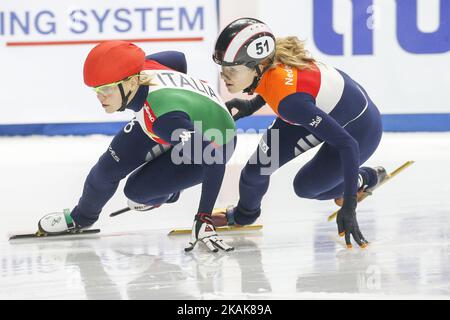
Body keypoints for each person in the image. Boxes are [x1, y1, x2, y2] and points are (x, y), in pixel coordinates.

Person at [38, 41, 236, 252]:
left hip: (216, 141)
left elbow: (214, 160)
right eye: (96, 90)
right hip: (176, 119)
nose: (100, 97)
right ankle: (81, 218)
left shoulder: (164, 119)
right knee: (107, 168)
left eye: (106, 89)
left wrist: (203, 217)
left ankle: (169, 192)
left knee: (137, 192)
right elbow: (177, 57)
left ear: (132, 83)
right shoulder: (147, 67)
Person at [211, 18, 387, 249]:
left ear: (258, 66)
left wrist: (350, 206)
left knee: (307, 187)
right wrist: (251, 106)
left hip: (359, 127)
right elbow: (277, 86)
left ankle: (364, 179)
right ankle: (244, 215)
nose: (224, 75)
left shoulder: (290, 103)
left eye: (232, 69)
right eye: (223, 68)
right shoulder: (270, 68)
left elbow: (347, 145)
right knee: (255, 172)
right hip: (317, 107)